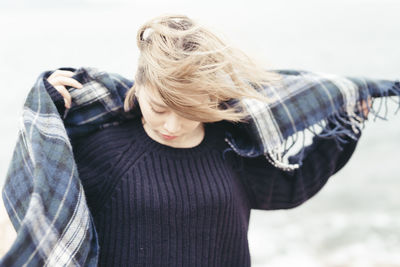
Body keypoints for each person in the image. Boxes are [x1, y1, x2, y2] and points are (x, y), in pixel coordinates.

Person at [43, 14, 367, 267]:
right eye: (159, 108)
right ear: (138, 86)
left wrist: (346, 124)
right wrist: (49, 105)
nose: (172, 125)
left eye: (189, 111)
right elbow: (45, 209)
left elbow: (293, 185)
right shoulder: (106, 151)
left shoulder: (232, 147)